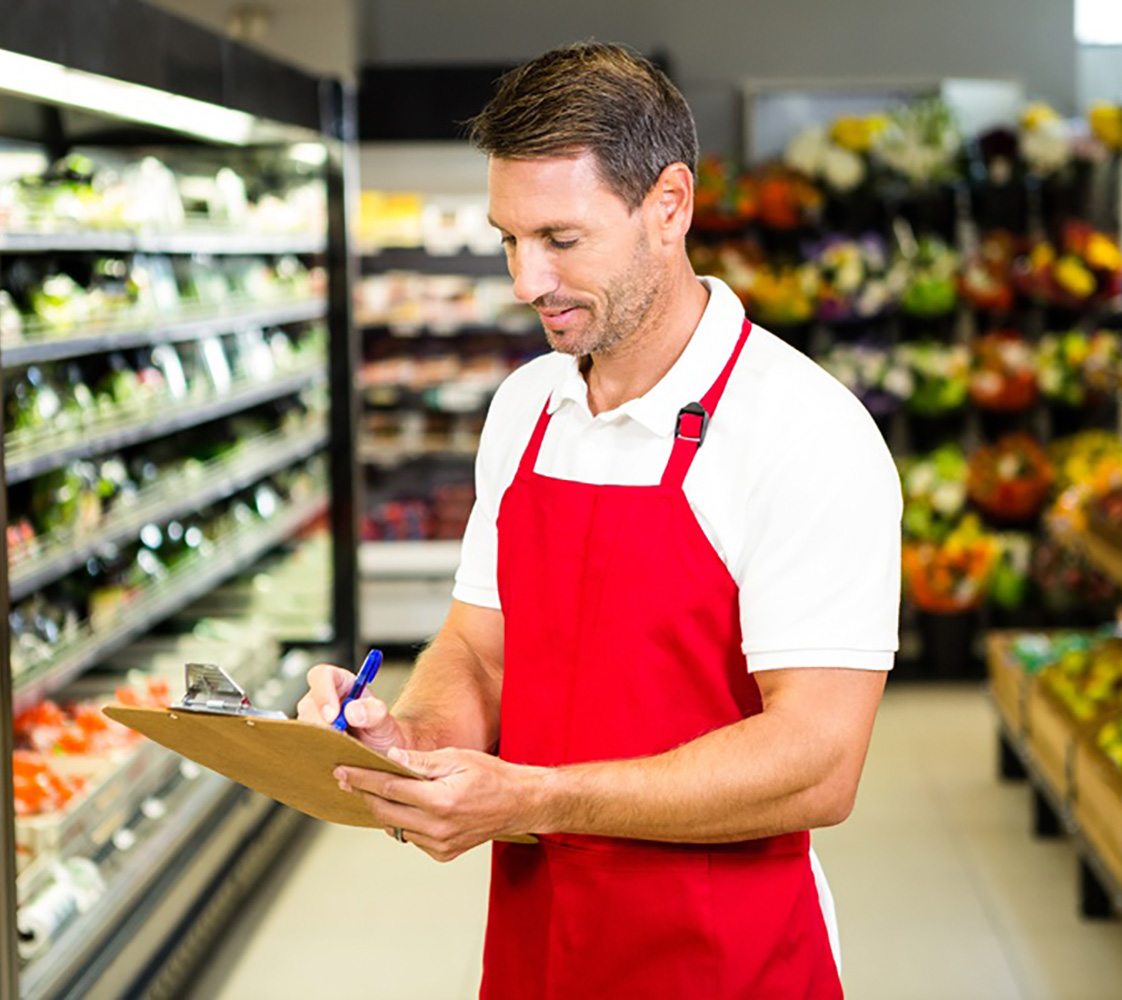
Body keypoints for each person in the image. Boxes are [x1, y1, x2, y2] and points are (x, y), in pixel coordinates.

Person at [298, 41, 901, 1000]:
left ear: (669, 206)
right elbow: (480, 652)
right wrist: (411, 742)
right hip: (539, 944)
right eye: (508, 238)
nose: (525, 280)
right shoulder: (526, 408)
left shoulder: (802, 430)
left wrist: (540, 794)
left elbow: (818, 764)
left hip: (725, 957)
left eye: (561, 240)